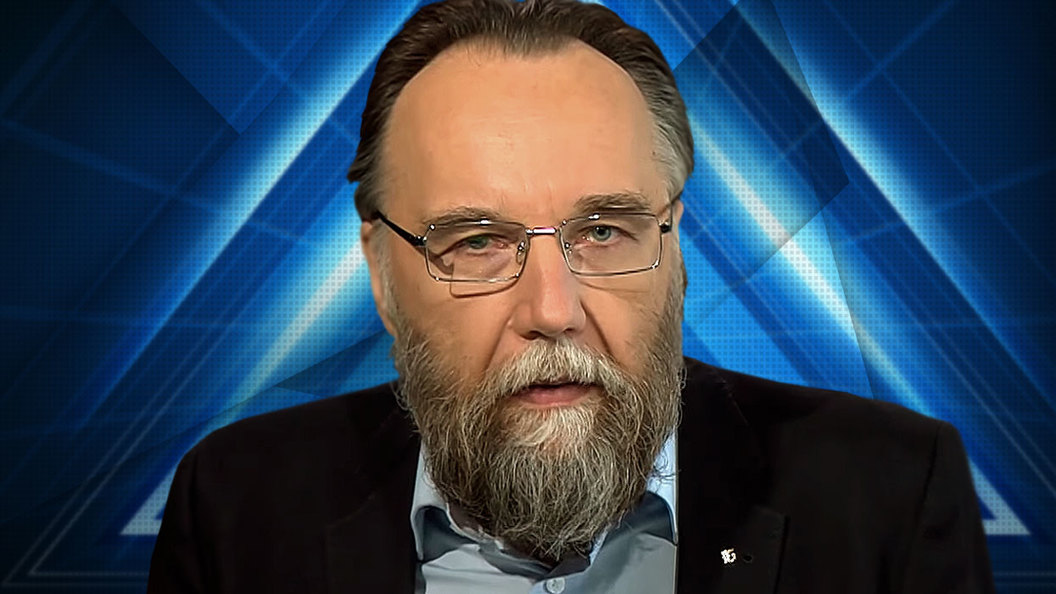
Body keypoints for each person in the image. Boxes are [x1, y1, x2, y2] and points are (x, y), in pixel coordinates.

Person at [147, 0, 994, 592]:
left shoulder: (890, 493)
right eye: (477, 242)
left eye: (604, 231)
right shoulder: (237, 505)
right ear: (381, 271)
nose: (554, 310)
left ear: (675, 247)